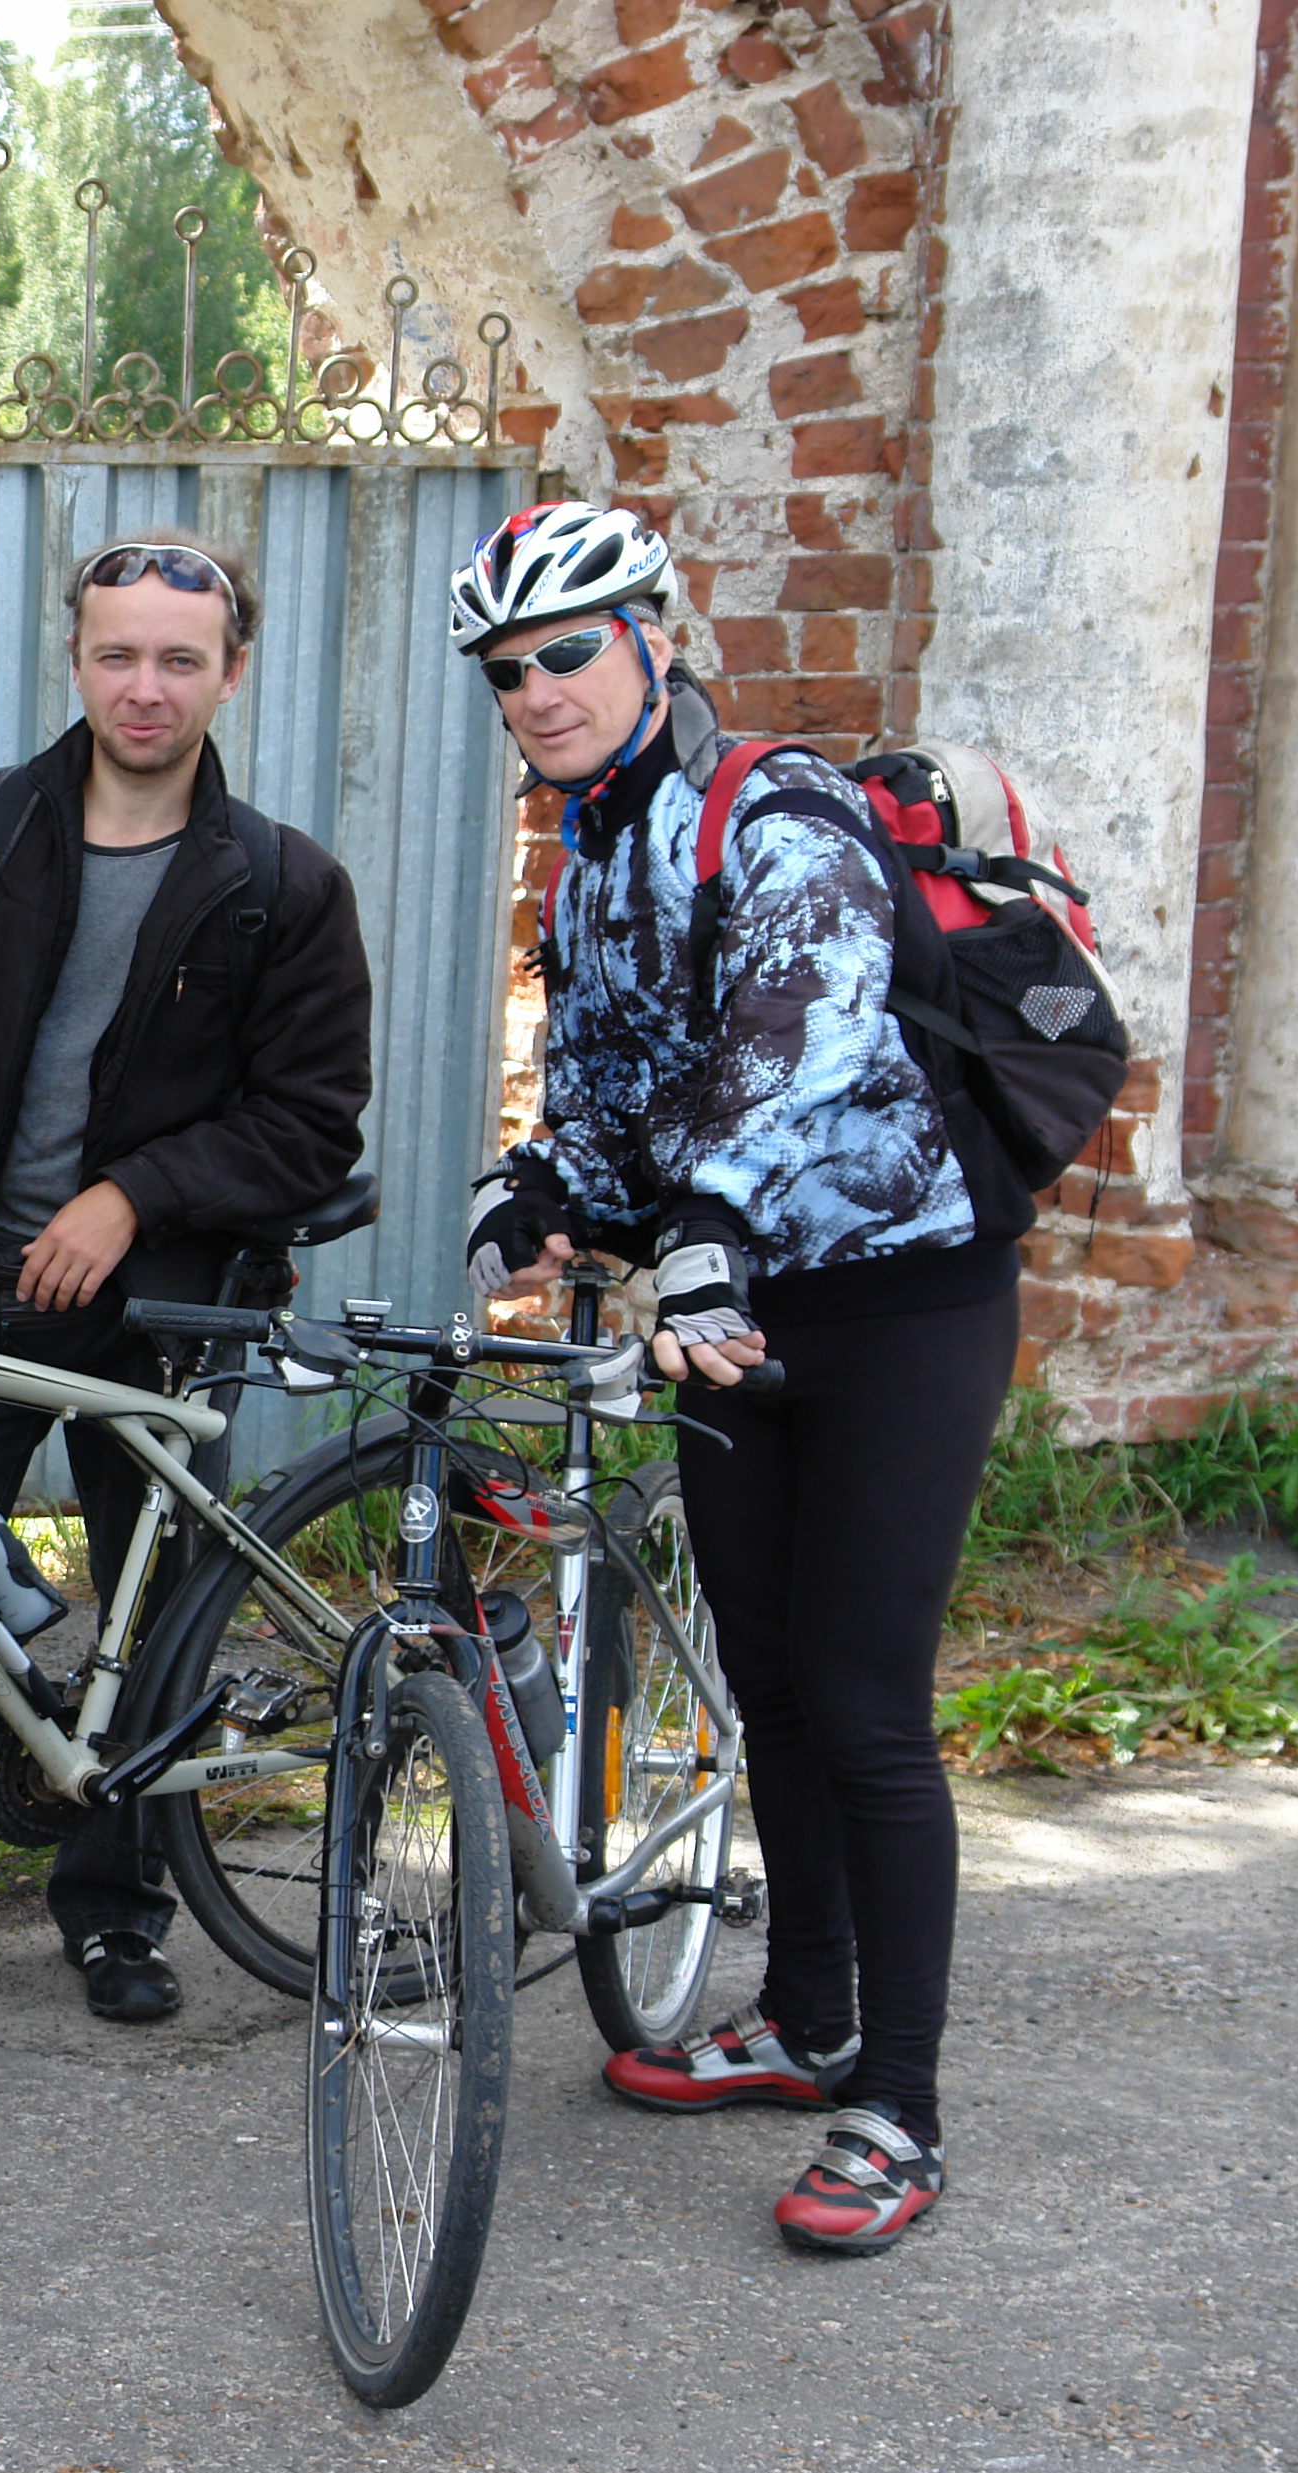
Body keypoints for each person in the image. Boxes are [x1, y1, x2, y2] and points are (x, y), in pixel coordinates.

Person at [449, 498, 1029, 2254]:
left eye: (568, 654)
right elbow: (608, 1082)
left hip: (900, 1302)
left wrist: (703, 1213)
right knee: (767, 1681)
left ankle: (898, 2108)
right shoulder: (595, 854)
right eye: (507, 672)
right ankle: (807, 2019)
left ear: (653, 641)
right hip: (733, 1319)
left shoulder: (777, 808)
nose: (539, 693)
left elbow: (806, 1023)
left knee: (862, 1703)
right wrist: (536, 1186)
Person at [0, 532, 375, 2023]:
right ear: (79, 659)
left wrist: (130, 1194)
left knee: (155, 1628)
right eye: (117, 654)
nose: (145, 686)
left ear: (231, 672)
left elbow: (309, 1120)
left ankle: (116, 1913)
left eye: (179, 659)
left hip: (162, 1317)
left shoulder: (284, 885)